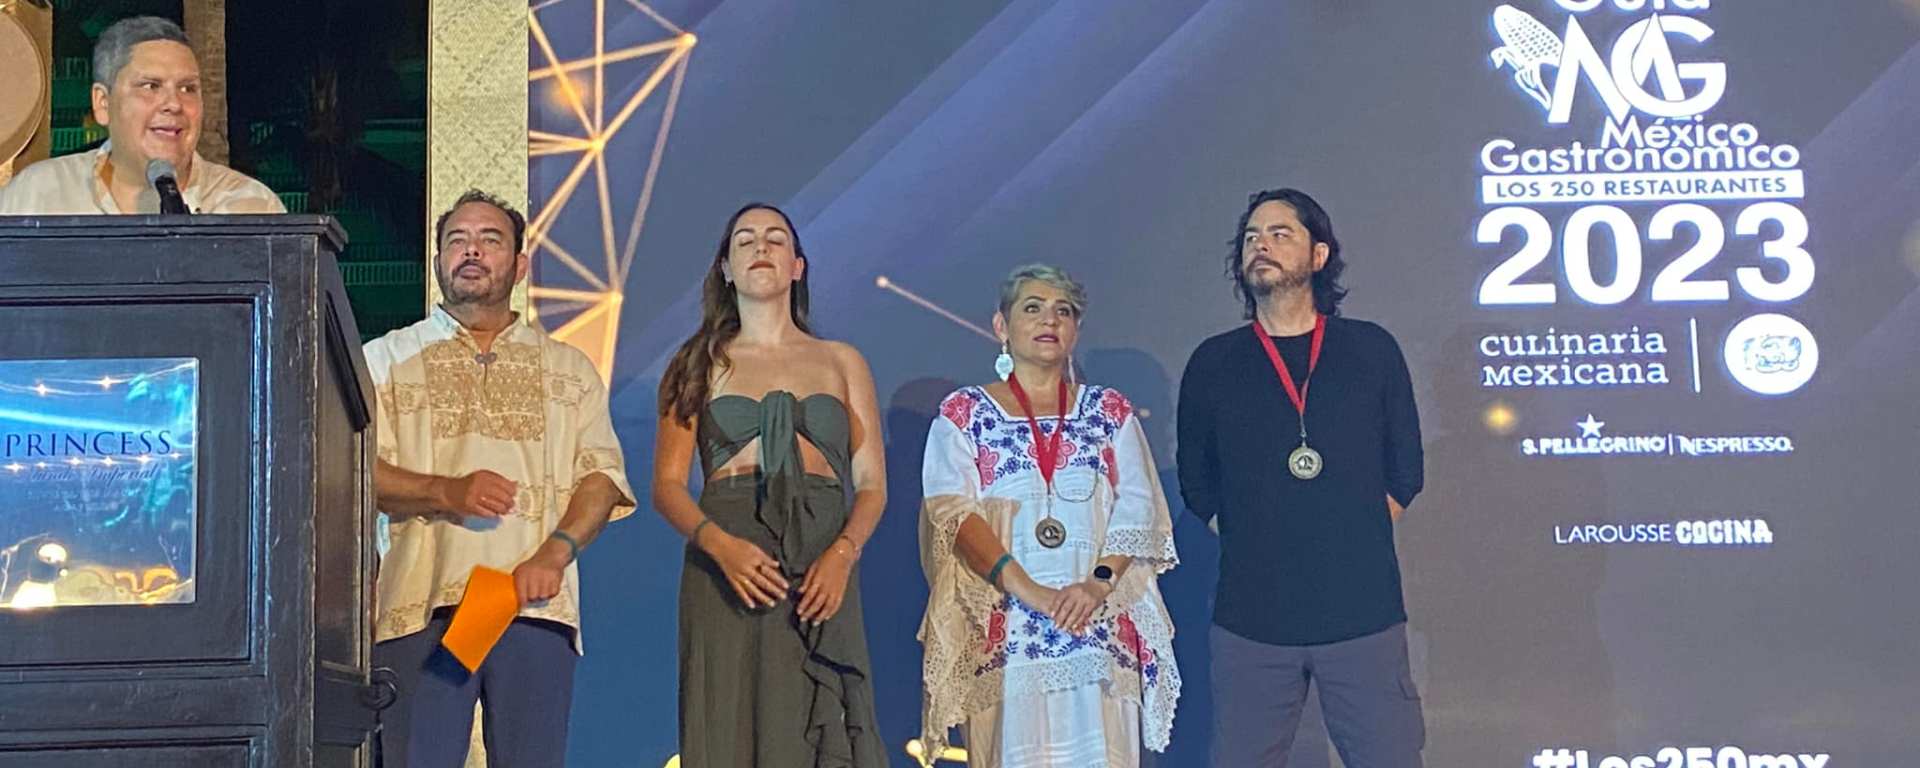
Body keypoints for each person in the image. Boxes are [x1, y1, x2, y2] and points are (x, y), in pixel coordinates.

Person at [363, 189, 633, 767]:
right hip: (420, 606)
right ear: (437, 261)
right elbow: (355, 475)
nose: (472, 251)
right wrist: (446, 491)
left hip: (532, 607)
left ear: (520, 264)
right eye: (457, 240)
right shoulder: (383, 360)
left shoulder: (568, 369)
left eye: (490, 240)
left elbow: (602, 477)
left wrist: (554, 555)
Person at [1177, 188, 1426, 767]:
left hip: (1362, 615)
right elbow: (1198, 483)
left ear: (1319, 255)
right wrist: (1261, 538)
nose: (1260, 245)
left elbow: (1405, 469)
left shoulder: (1370, 349)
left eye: (1279, 233)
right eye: (1251, 237)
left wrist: (1348, 533)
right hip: (1251, 622)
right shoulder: (1214, 362)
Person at [652, 203, 888, 767]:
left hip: (821, 557)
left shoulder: (842, 361)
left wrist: (842, 555)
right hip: (728, 561)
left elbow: (872, 484)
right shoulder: (696, 362)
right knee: (730, 719)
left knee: (819, 718)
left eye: (776, 239)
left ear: (797, 266)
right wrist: (721, 547)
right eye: (745, 240)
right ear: (726, 269)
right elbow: (667, 485)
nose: (761, 247)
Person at [919, 264, 1181, 767]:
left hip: (1095, 626)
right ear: (1002, 325)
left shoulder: (1107, 410)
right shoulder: (965, 414)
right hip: (1008, 631)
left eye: (1064, 311)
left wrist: (1098, 585)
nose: (1049, 320)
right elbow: (953, 514)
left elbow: (1139, 504)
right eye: (1033, 308)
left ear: (1076, 330)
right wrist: (1029, 590)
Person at [0, 16, 284, 215]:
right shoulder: (36, 196)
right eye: (151, 86)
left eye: (188, 88)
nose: (174, 104)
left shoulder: (251, 207)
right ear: (102, 103)